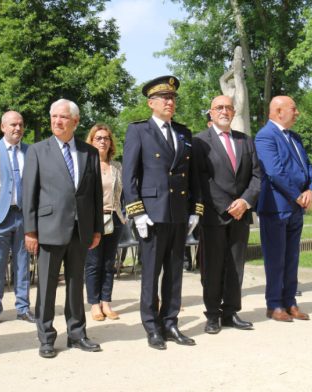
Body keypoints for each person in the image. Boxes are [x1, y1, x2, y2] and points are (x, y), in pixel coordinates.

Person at [122, 76, 202, 350]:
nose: (170, 102)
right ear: (151, 103)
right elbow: (130, 176)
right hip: (152, 214)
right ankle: (152, 325)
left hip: (178, 212)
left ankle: (170, 322)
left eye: (173, 98)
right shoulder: (138, 131)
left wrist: (194, 210)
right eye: (164, 98)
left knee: (174, 273)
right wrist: (137, 212)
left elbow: (193, 177)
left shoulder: (184, 133)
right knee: (151, 273)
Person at [22, 99, 103, 359]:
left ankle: (77, 334)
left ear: (75, 121)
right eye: (54, 116)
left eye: (63, 117)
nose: (57, 121)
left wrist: (97, 228)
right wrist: (30, 230)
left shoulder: (88, 152)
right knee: (46, 287)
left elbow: (95, 195)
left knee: (75, 284)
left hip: (81, 231)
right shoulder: (37, 150)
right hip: (48, 229)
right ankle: (46, 337)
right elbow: (29, 194)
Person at [192, 95, 261, 334]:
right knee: (212, 267)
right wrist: (227, 204)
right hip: (214, 215)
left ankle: (231, 312)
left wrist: (245, 201)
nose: (224, 111)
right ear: (211, 113)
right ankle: (212, 315)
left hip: (241, 215)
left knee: (235, 266)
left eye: (228, 108)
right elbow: (201, 178)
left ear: (234, 112)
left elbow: (256, 175)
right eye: (219, 107)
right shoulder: (199, 141)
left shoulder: (246, 141)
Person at [254, 96, 312, 322]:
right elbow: (275, 171)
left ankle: (290, 302)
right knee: (275, 258)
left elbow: (308, 166)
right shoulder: (265, 136)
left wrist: (310, 189)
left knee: (292, 257)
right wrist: (297, 195)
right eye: (293, 109)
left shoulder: (294, 137)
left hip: (296, 208)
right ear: (279, 111)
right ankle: (274, 305)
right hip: (276, 207)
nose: (297, 113)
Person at [0, 111, 34, 327]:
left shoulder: (30, 151)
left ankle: (23, 308)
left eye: (21, 124)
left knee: (23, 264)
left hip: (23, 215)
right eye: (13, 124)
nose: (17, 128)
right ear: (2, 127)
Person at [84, 123, 125, 321]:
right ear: (91, 141)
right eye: (98, 138)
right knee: (93, 263)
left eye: (106, 138)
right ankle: (94, 304)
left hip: (114, 217)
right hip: (93, 220)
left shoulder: (117, 166)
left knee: (109, 263)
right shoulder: (86, 164)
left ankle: (106, 303)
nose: (103, 141)